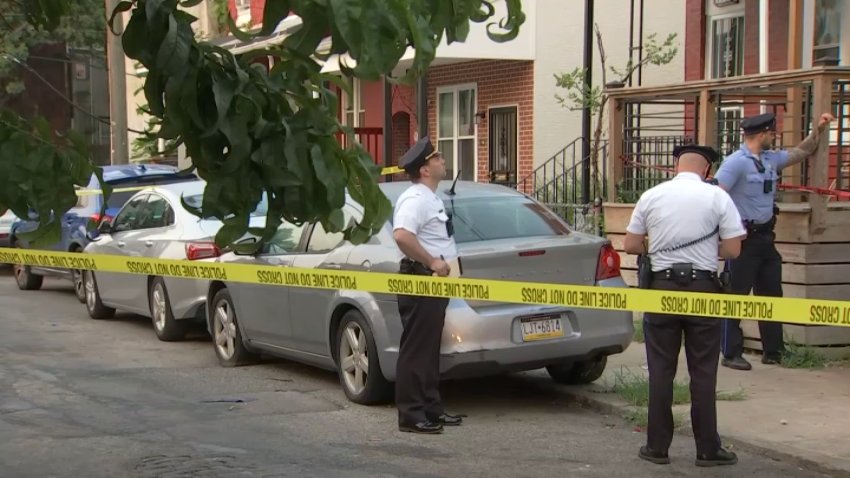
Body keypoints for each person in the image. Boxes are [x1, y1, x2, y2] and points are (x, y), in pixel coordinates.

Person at [624, 144, 747, 467]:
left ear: (676, 165)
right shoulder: (718, 197)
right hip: (703, 289)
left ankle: (656, 447)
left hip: (660, 289)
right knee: (704, 372)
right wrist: (706, 249)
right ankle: (708, 449)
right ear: (707, 170)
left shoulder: (652, 195)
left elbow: (632, 244)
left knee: (661, 371)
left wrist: (661, 244)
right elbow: (733, 250)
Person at [714, 112, 835, 370]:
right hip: (743, 240)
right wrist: (724, 234)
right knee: (735, 297)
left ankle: (774, 351)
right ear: (761, 135)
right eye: (771, 133)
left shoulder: (769, 159)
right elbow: (715, 197)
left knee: (771, 295)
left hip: (767, 239)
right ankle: (730, 352)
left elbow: (802, 151)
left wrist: (820, 128)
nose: (774, 137)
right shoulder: (736, 163)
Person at [392, 136, 463, 434]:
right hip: (421, 279)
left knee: (430, 348)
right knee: (416, 350)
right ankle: (411, 414)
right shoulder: (414, 199)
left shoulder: (431, 197)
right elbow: (402, 235)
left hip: (436, 285)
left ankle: (431, 409)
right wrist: (433, 261)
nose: (442, 160)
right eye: (437, 158)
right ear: (424, 169)